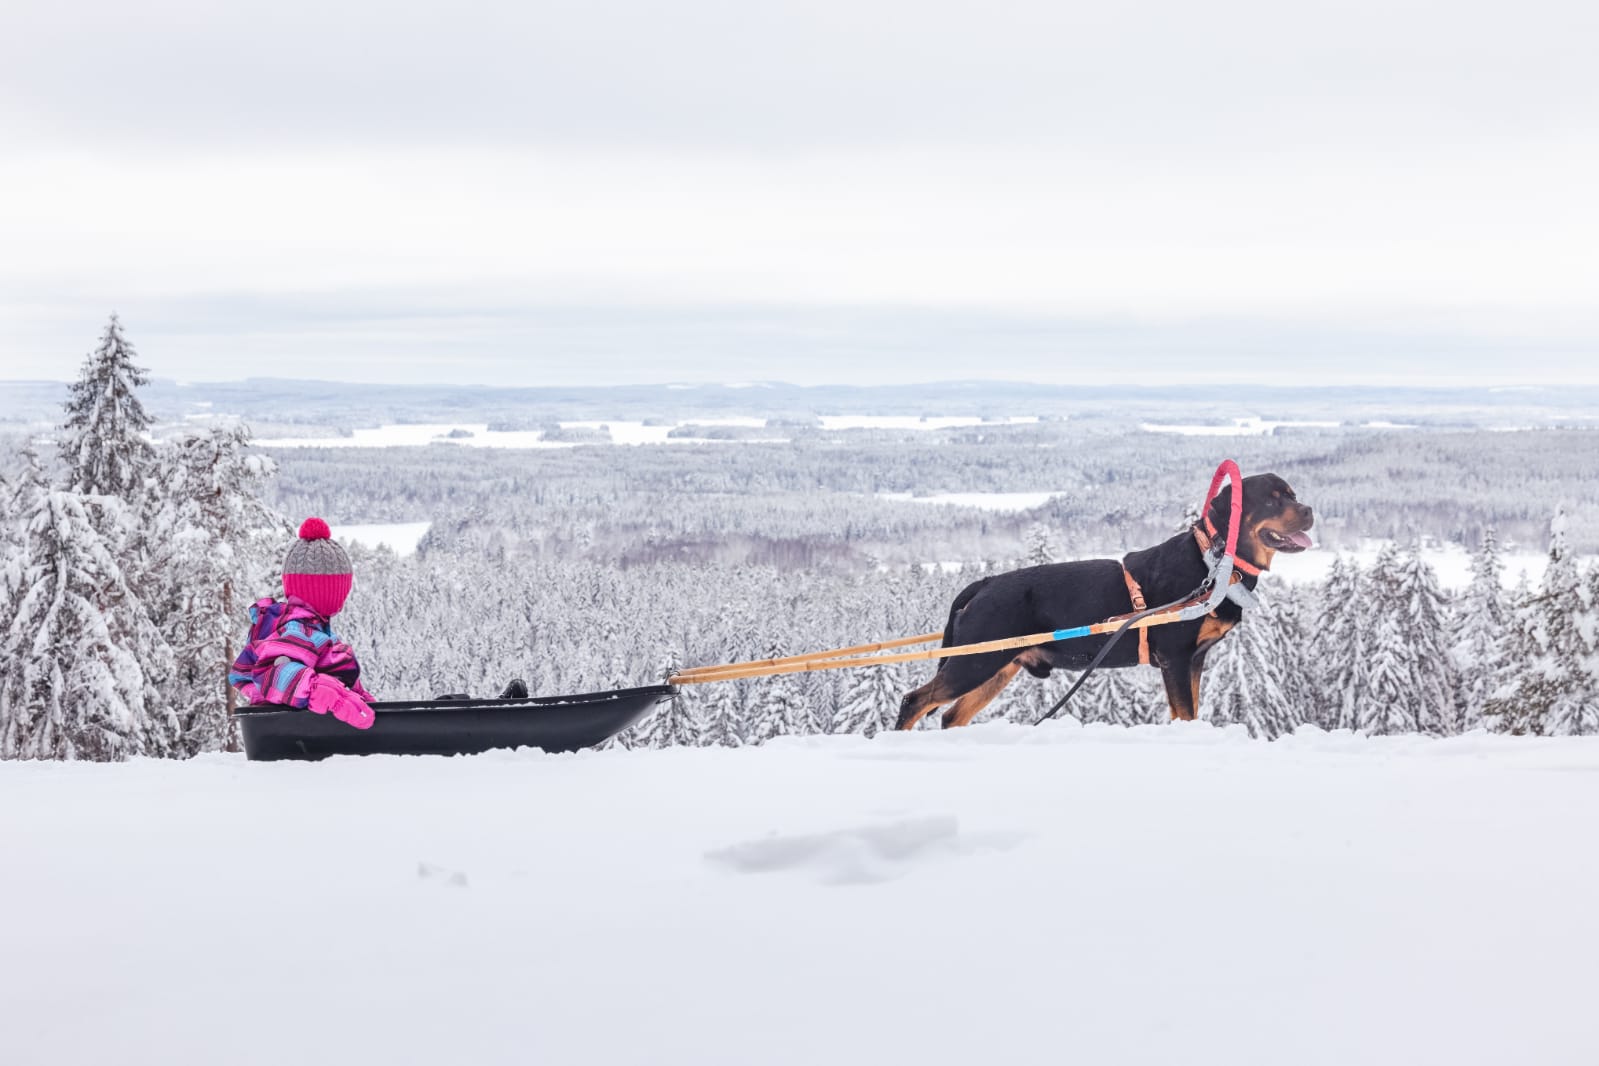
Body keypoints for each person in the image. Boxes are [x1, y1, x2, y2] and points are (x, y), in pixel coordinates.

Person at [229, 517, 376, 730]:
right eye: (339, 590)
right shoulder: (297, 630)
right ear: (327, 592)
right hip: (289, 736)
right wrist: (318, 689)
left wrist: (365, 703)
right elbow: (272, 671)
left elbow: (341, 681)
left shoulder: (317, 632)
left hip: (306, 736)